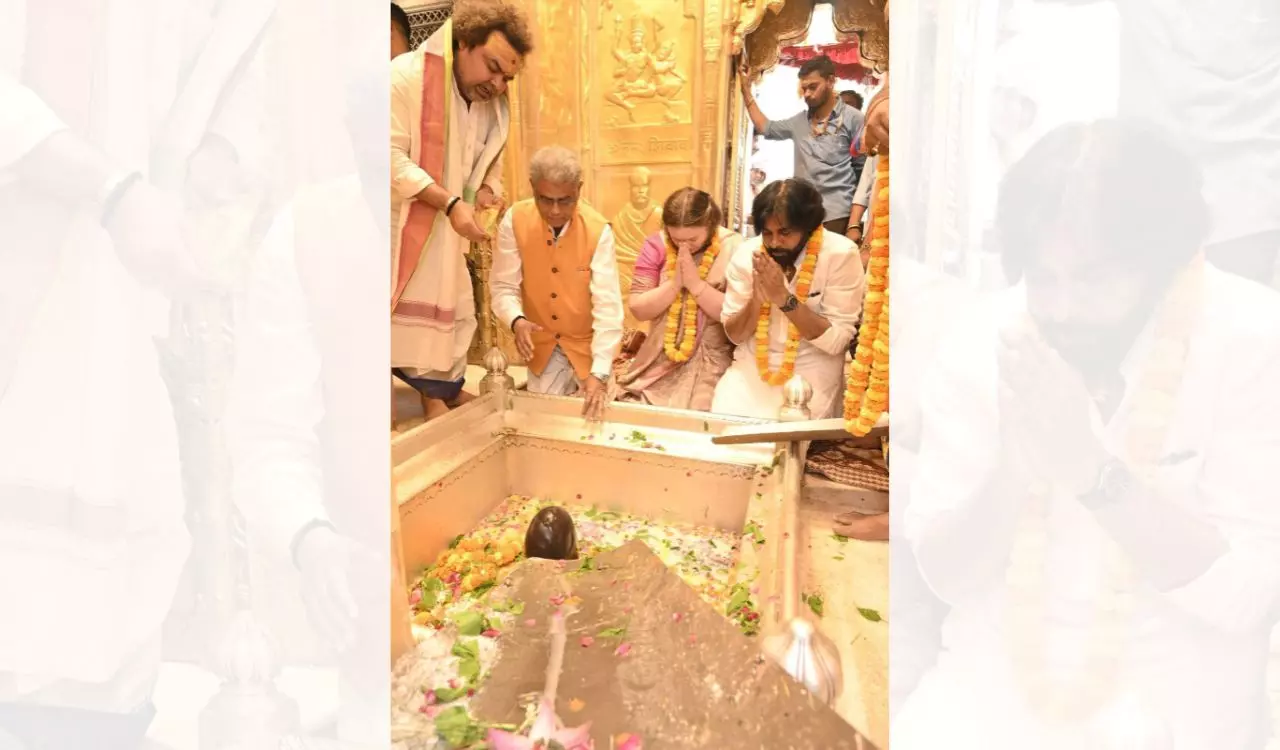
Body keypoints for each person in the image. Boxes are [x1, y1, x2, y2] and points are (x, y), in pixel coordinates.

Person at [897, 120, 1280, 750]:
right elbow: (947, 576)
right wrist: (1015, 468)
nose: (1064, 307)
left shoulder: (1252, 340)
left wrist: (1092, 474)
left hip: (1181, 699)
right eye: (1045, 277)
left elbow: (1247, 596)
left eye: (1095, 279)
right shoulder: (981, 342)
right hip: (989, 690)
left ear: (1167, 262)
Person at [390, 0, 533, 421]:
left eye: (507, 76)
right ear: (464, 43)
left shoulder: (488, 101)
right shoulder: (403, 79)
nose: (499, 84)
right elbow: (389, 158)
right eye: (492, 67)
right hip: (397, 228)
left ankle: (441, 394)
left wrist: (485, 189)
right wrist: (449, 202)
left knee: (453, 311)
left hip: (449, 229)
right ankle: (419, 406)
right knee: (395, 318)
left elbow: (486, 160)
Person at [711, 179, 864, 420]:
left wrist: (784, 299)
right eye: (767, 233)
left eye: (785, 233)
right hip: (753, 368)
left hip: (812, 368)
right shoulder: (746, 256)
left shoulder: (840, 255)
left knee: (786, 441)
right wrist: (756, 301)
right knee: (721, 427)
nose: (774, 243)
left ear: (809, 227)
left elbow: (836, 342)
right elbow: (735, 335)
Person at [490, 146, 624, 421]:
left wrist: (599, 372)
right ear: (532, 188)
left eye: (565, 200)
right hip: (543, 346)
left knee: (597, 425)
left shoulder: (599, 231)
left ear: (579, 189)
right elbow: (503, 287)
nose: (554, 210)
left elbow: (608, 308)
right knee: (544, 422)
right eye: (545, 199)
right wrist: (516, 321)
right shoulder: (514, 221)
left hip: (589, 348)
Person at [616, 188, 746, 411]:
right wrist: (675, 284)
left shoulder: (734, 247)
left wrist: (696, 285)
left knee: (702, 412)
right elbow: (638, 308)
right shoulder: (657, 245)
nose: (685, 246)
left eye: (693, 239)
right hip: (658, 354)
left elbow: (737, 317)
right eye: (676, 239)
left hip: (713, 357)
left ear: (712, 225)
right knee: (631, 404)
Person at [739, 55, 864, 237]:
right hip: (802, 215)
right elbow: (765, 127)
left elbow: (863, 173)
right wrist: (746, 90)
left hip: (838, 216)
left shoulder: (854, 118)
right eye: (804, 88)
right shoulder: (798, 122)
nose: (807, 94)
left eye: (813, 87)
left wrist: (854, 224)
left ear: (830, 81)